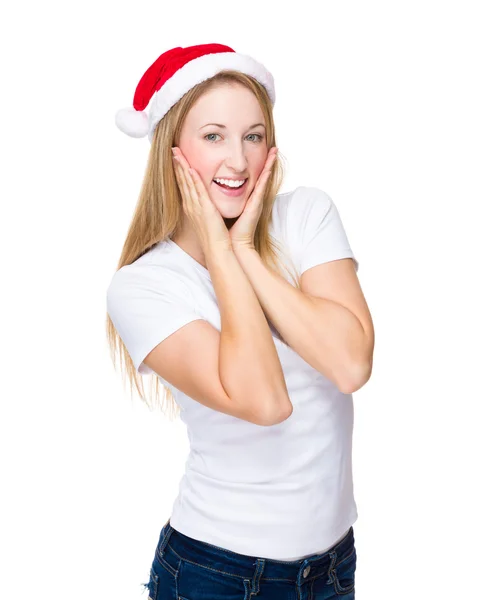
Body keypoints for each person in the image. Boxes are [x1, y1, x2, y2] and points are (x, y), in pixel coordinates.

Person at [107, 42, 374, 600]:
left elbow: (350, 365)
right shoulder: (144, 286)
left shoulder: (306, 215)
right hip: (216, 575)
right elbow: (266, 402)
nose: (238, 161)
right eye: (213, 137)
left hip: (331, 569)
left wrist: (247, 252)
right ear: (170, 150)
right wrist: (221, 252)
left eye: (253, 135)